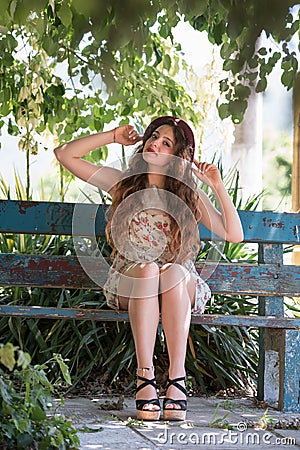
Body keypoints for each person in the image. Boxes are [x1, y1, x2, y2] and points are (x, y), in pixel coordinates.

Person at [54, 116, 243, 422]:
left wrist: (217, 186)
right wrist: (114, 135)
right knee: (147, 270)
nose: (155, 143)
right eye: (154, 136)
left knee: (171, 272)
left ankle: (177, 378)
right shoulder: (123, 184)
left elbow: (233, 234)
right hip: (133, 279)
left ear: (178, 156)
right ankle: (145, 378)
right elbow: (65, 155)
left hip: (178, 284)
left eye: (166, 142)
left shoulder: (189, 194)